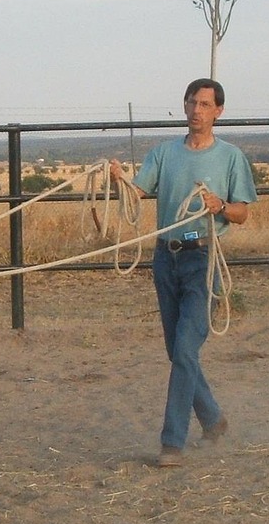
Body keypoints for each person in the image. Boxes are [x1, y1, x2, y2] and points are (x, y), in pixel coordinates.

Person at [110, 78, 257, 467]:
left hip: (202, 259)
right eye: (192, 103)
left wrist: (220, 205)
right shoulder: (164, 153)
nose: (197, 111)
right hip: (166, 257)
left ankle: (172, 441)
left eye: (205, 104)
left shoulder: (230, 158)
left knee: (185, 349)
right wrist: (119, 178)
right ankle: (213, 420)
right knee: (178, 351)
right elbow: (137, 194)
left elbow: (242, 213)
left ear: (218, 112)